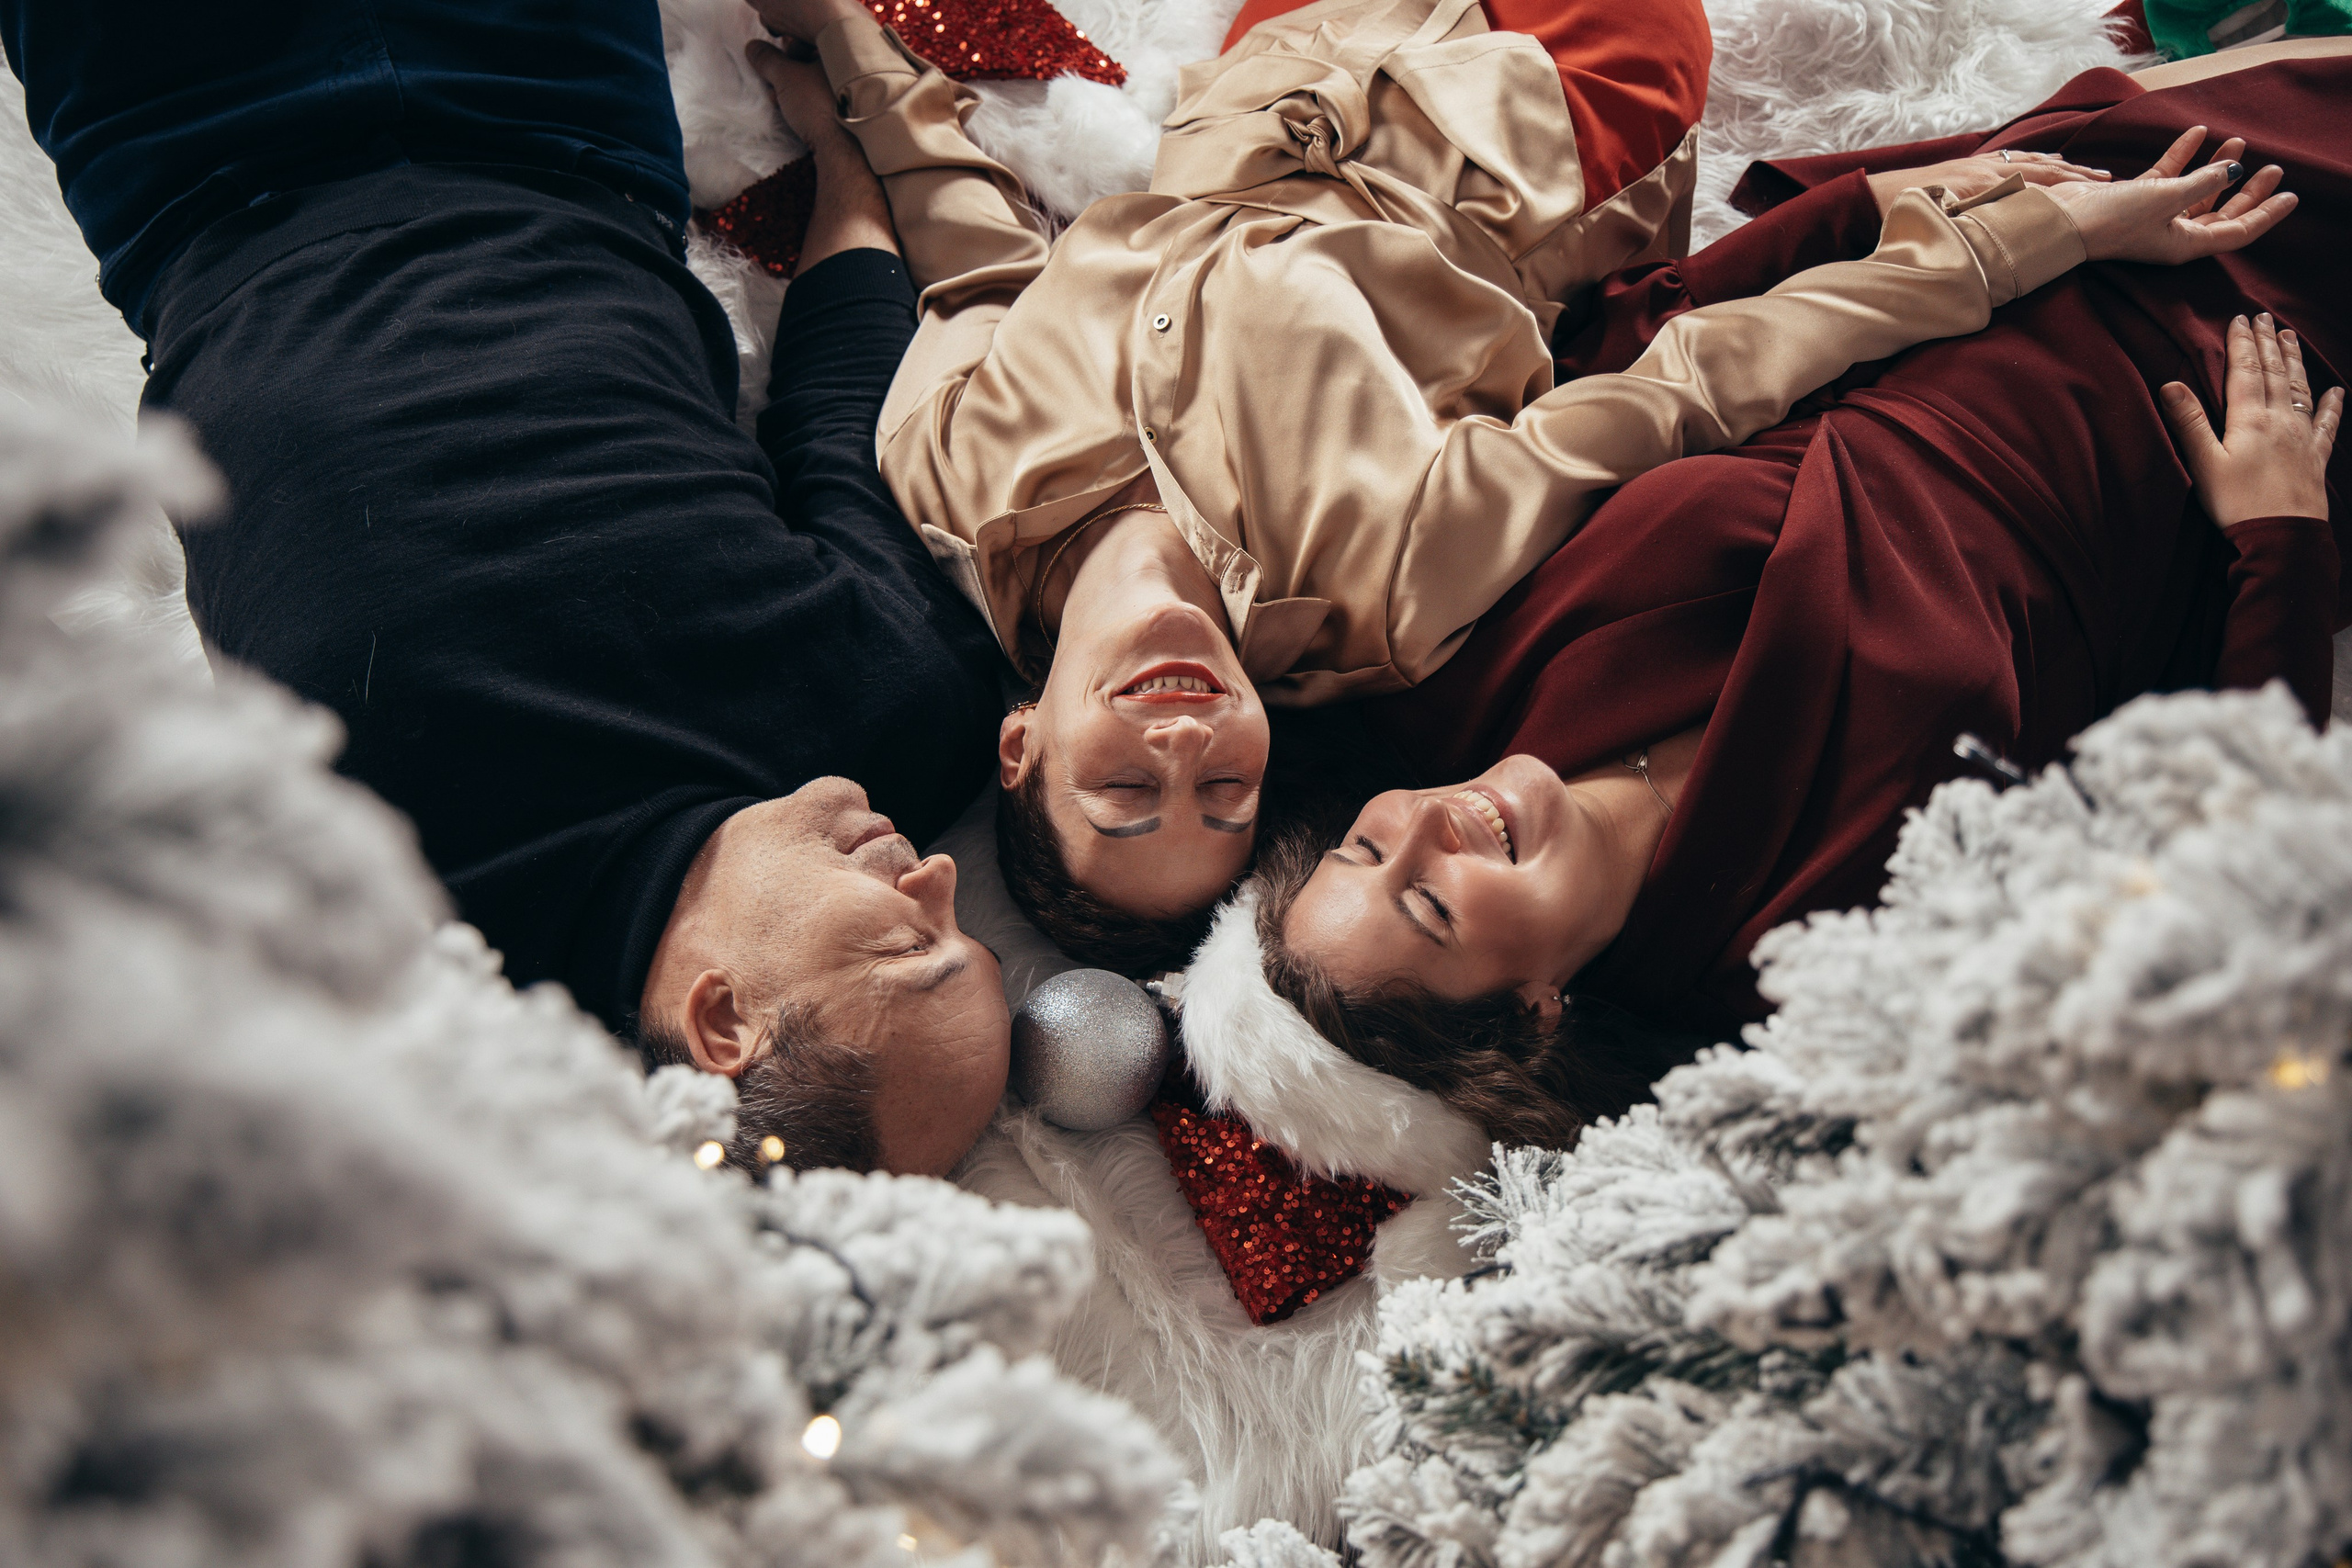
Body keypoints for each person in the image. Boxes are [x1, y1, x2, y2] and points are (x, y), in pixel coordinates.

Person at [757, 0, 2280, 973]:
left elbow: (976, 254)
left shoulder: (949, 471)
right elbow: (1694, 388)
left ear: (1021, 741)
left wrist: (848, 53)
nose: (1186, 739)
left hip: (1280, 69)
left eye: (1125, 783)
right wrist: (2037, 241)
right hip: (1545, 112)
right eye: (1225, 792)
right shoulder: (1391, 599)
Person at [1219, 44, 2347, 1148]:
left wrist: (1885, 202)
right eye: (1431, 907)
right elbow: (2206, 876)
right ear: (1531, 1013)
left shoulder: (1447, 684)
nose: (1426, 823)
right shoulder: (1808, 978)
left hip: (2012, 245)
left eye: (1365, 848)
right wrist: (2280, 535)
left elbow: (1642, 362)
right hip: (2241, 414)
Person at [1, 0, 1015, 1176]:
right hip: (557, 115)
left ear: (723, 1019)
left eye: (912, 945)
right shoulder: (902, 714)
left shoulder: (392, 942)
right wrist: (843, 165)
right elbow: (839, 406)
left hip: (201, 163)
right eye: (963, 923)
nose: (941, 874)